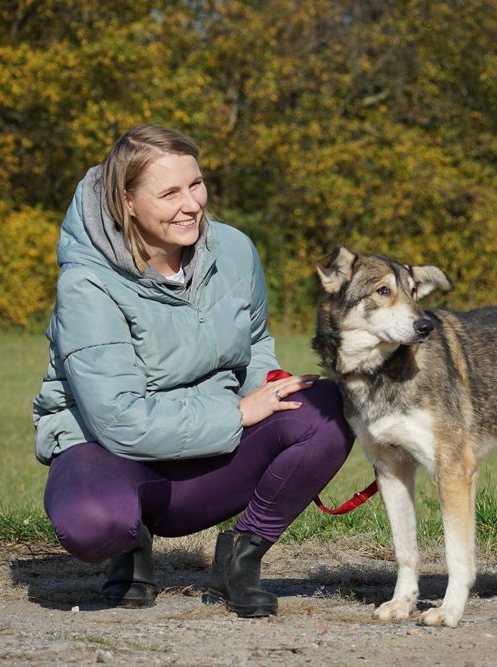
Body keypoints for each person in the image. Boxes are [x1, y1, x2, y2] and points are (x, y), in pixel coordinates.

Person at [32, 125, 354, 617]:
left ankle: (241, 559)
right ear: (128, 202)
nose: (192, 204)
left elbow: (254, 345)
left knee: (326, 408)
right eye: (170, 192)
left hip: (210, 447)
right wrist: (238, 416)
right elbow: (120, 422)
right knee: (93, 521)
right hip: (114, 452)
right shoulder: (86, 284)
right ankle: (128, 546)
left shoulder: (235, 249)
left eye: (196, 184)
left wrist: (269, 388)